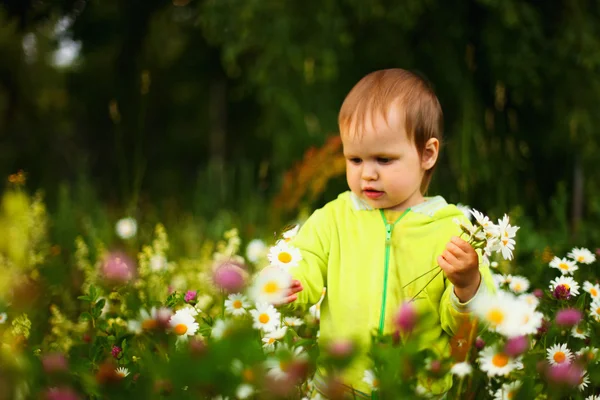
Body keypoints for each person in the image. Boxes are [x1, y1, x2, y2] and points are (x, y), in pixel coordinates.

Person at [282, 69, 495, 397]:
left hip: (416, 388)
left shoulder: (454, 231)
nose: (367, 173)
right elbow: (304, 259)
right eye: (355, 159)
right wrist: (290, 284)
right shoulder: (334, 219)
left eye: (383, 159)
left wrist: (468, 284)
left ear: (427, 154)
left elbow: (470, 326)